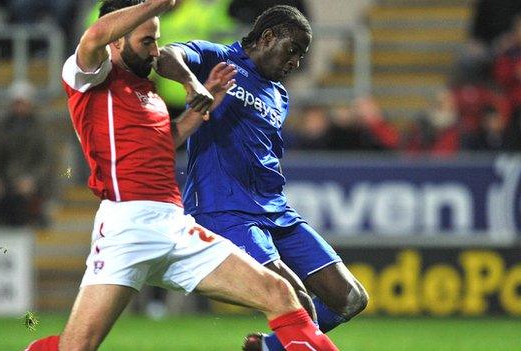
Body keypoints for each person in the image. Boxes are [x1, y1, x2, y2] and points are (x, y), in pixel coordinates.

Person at [25, 1, 339, 351]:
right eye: (147, 41)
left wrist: (209, 101)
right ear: (116, 41)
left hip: (174, 224)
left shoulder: (147, 91)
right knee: (76, 347)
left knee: (279, 292)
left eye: (157, 40)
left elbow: (167, 140)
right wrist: (160, 3)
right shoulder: (89, 77)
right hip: (127, 227)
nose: (155, 50)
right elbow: (94, 35)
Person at [155, 5, 368, 350]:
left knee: (350, 298)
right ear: (268, 37)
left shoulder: (280, 96)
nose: (295, 62)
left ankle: (269, 348)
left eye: (301, 55)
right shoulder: (219, 59)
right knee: (296, 300)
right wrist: (192, 84)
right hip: (226, 209)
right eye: (292, 50)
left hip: (275, 210)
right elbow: (166, 55)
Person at [0, 80, 53, 226]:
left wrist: (32, 179)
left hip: (33, 180)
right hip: (7, 179)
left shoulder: (40, 128)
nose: (19, 107)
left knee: (21, 200)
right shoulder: (2, 127)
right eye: (17, 103)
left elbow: (46, 160)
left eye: (22, 103)